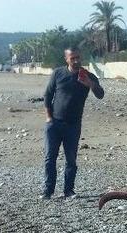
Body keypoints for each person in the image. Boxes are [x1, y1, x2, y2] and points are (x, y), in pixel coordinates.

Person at [41, 47, 105, 199]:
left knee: (71, 160)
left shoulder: (88, 76)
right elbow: (48, 95)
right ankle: (48, 191)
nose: (76, 61)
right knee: (50, 158)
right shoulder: (58, 73)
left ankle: (68, 190)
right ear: (66, 59)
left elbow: (100, 95)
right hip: (54, 124)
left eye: (78, 58)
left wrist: (90, 84)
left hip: (73, 125)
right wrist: (49, 117)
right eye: (72, 58)